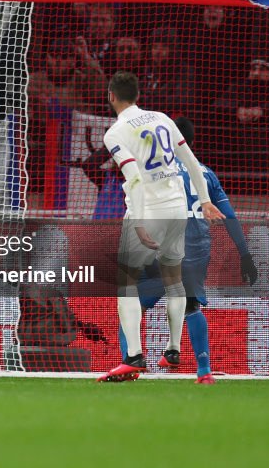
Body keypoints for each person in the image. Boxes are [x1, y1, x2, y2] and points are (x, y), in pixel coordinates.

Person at [97, 71, 224, 383]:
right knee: (173, 280)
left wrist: (139, 221)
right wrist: (206, 200)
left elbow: (135, 178)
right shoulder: (163, 118)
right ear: (138, 95)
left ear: (111, 96)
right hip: (177, 207)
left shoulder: (115, 132)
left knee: (126, 286)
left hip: (148, 210)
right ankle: (173, 346)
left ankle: (133, 357)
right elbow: (192, 162)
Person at [118, 117, 258, 385]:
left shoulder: (155, 171)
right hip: (197, 248)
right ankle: (203, 371)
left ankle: (130, 365)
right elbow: (228, 214)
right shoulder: (205, 173)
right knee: (190, 306)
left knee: (132, 303)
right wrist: (244, 254)